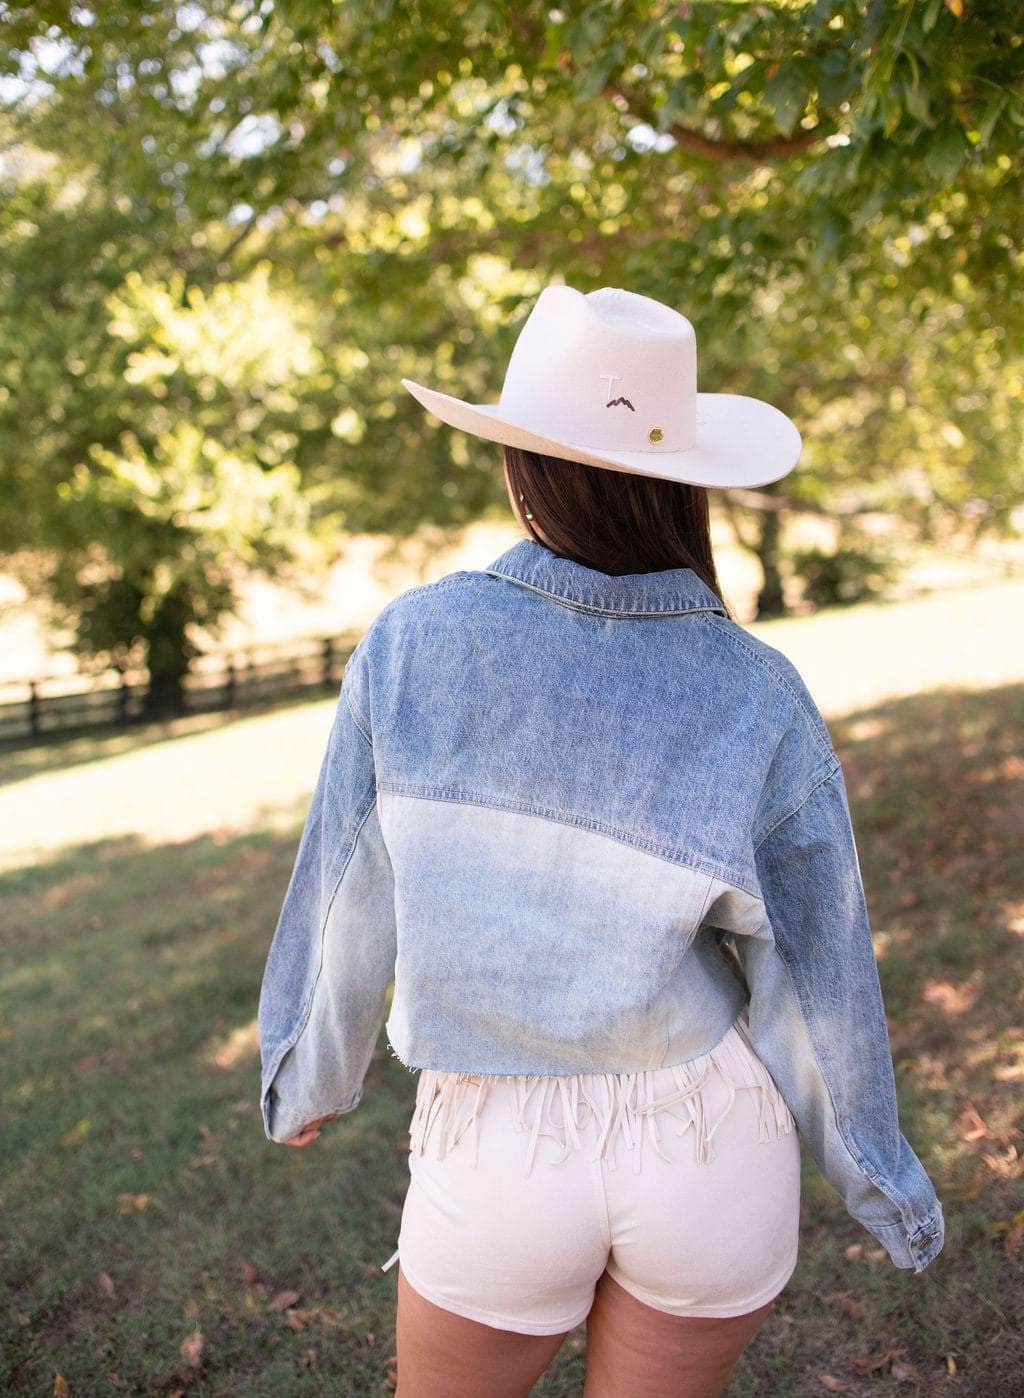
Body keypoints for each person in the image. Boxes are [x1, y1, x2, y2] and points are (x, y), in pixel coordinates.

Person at [257, 284, 945, 1397]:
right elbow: (815, 972)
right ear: (685, 484)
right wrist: (877, 1177)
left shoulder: (414, 643)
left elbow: (347, 892)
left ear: (521, 463)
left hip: (498, 1156)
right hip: (709, 1150)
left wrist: (307, 1075)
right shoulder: (756, 689)